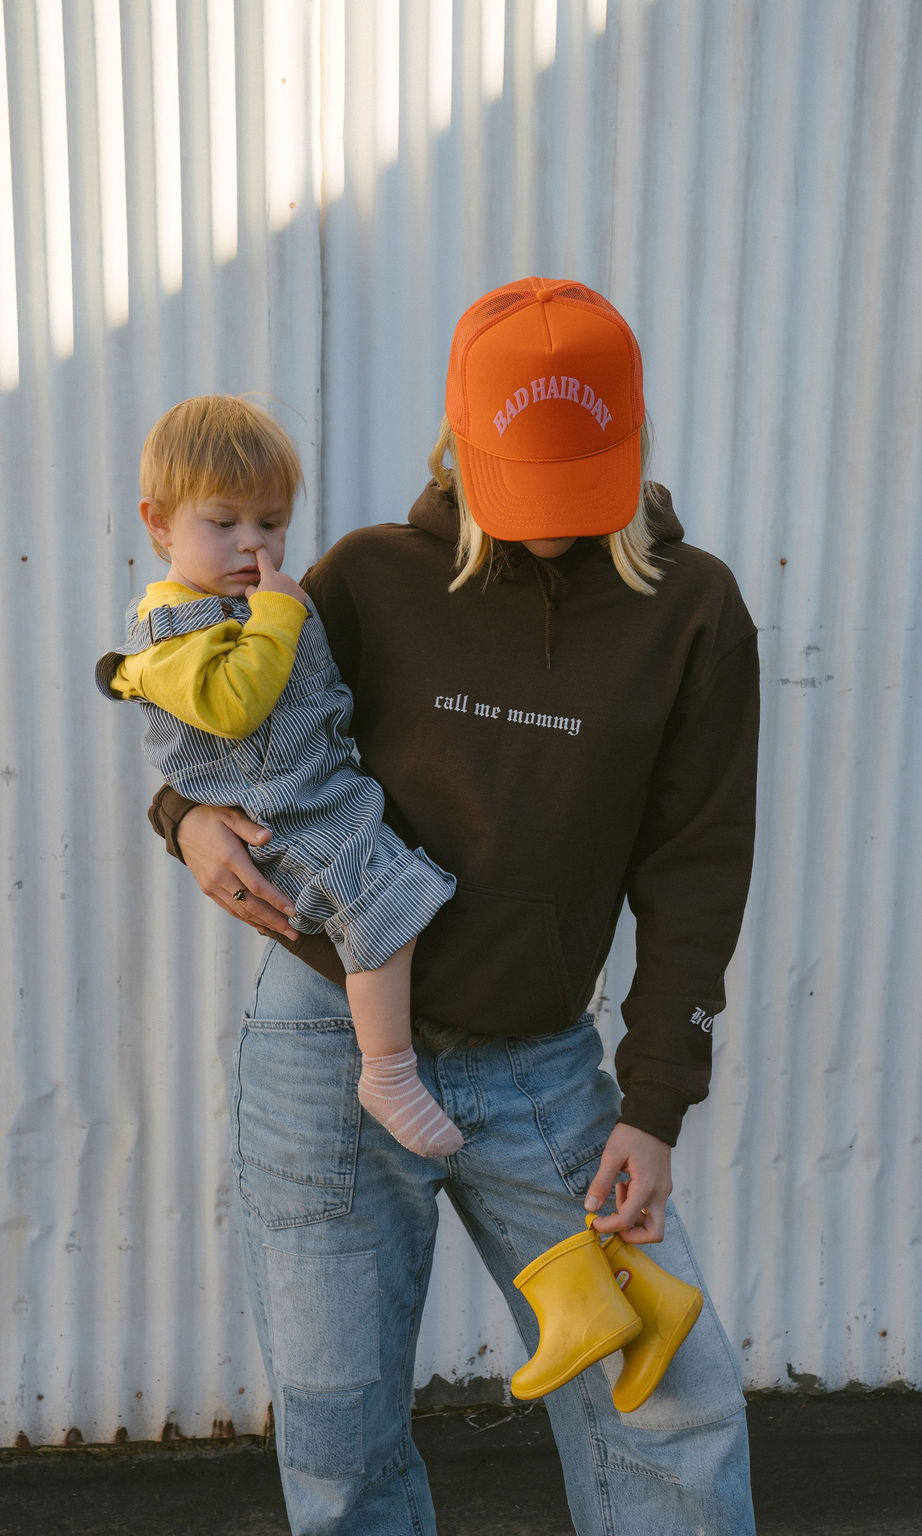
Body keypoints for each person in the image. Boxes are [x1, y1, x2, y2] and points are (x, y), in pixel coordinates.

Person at [146, 279, 760, 1534]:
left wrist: (654, 1102)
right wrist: (183, 823)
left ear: (629, 444)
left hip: (543, 1072)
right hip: (327, 1047)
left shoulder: (691, 610)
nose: (544, 531)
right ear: (459, 446)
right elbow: (237, 724)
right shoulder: (372, 576)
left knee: (670, 1403)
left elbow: (697, 867)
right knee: (339, 1428)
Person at [97, 396, 463, 1158]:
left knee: (394, 886)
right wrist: (277, 615)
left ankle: (390, 1061)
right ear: (158, 523)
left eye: (270, 523)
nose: (251, 546)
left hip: (318, 790)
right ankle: (387, 1072)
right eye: (222, 523)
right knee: (376, 894)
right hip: (278, 812)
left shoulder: (244, 603)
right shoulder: (171, 631)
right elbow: (234, 706)